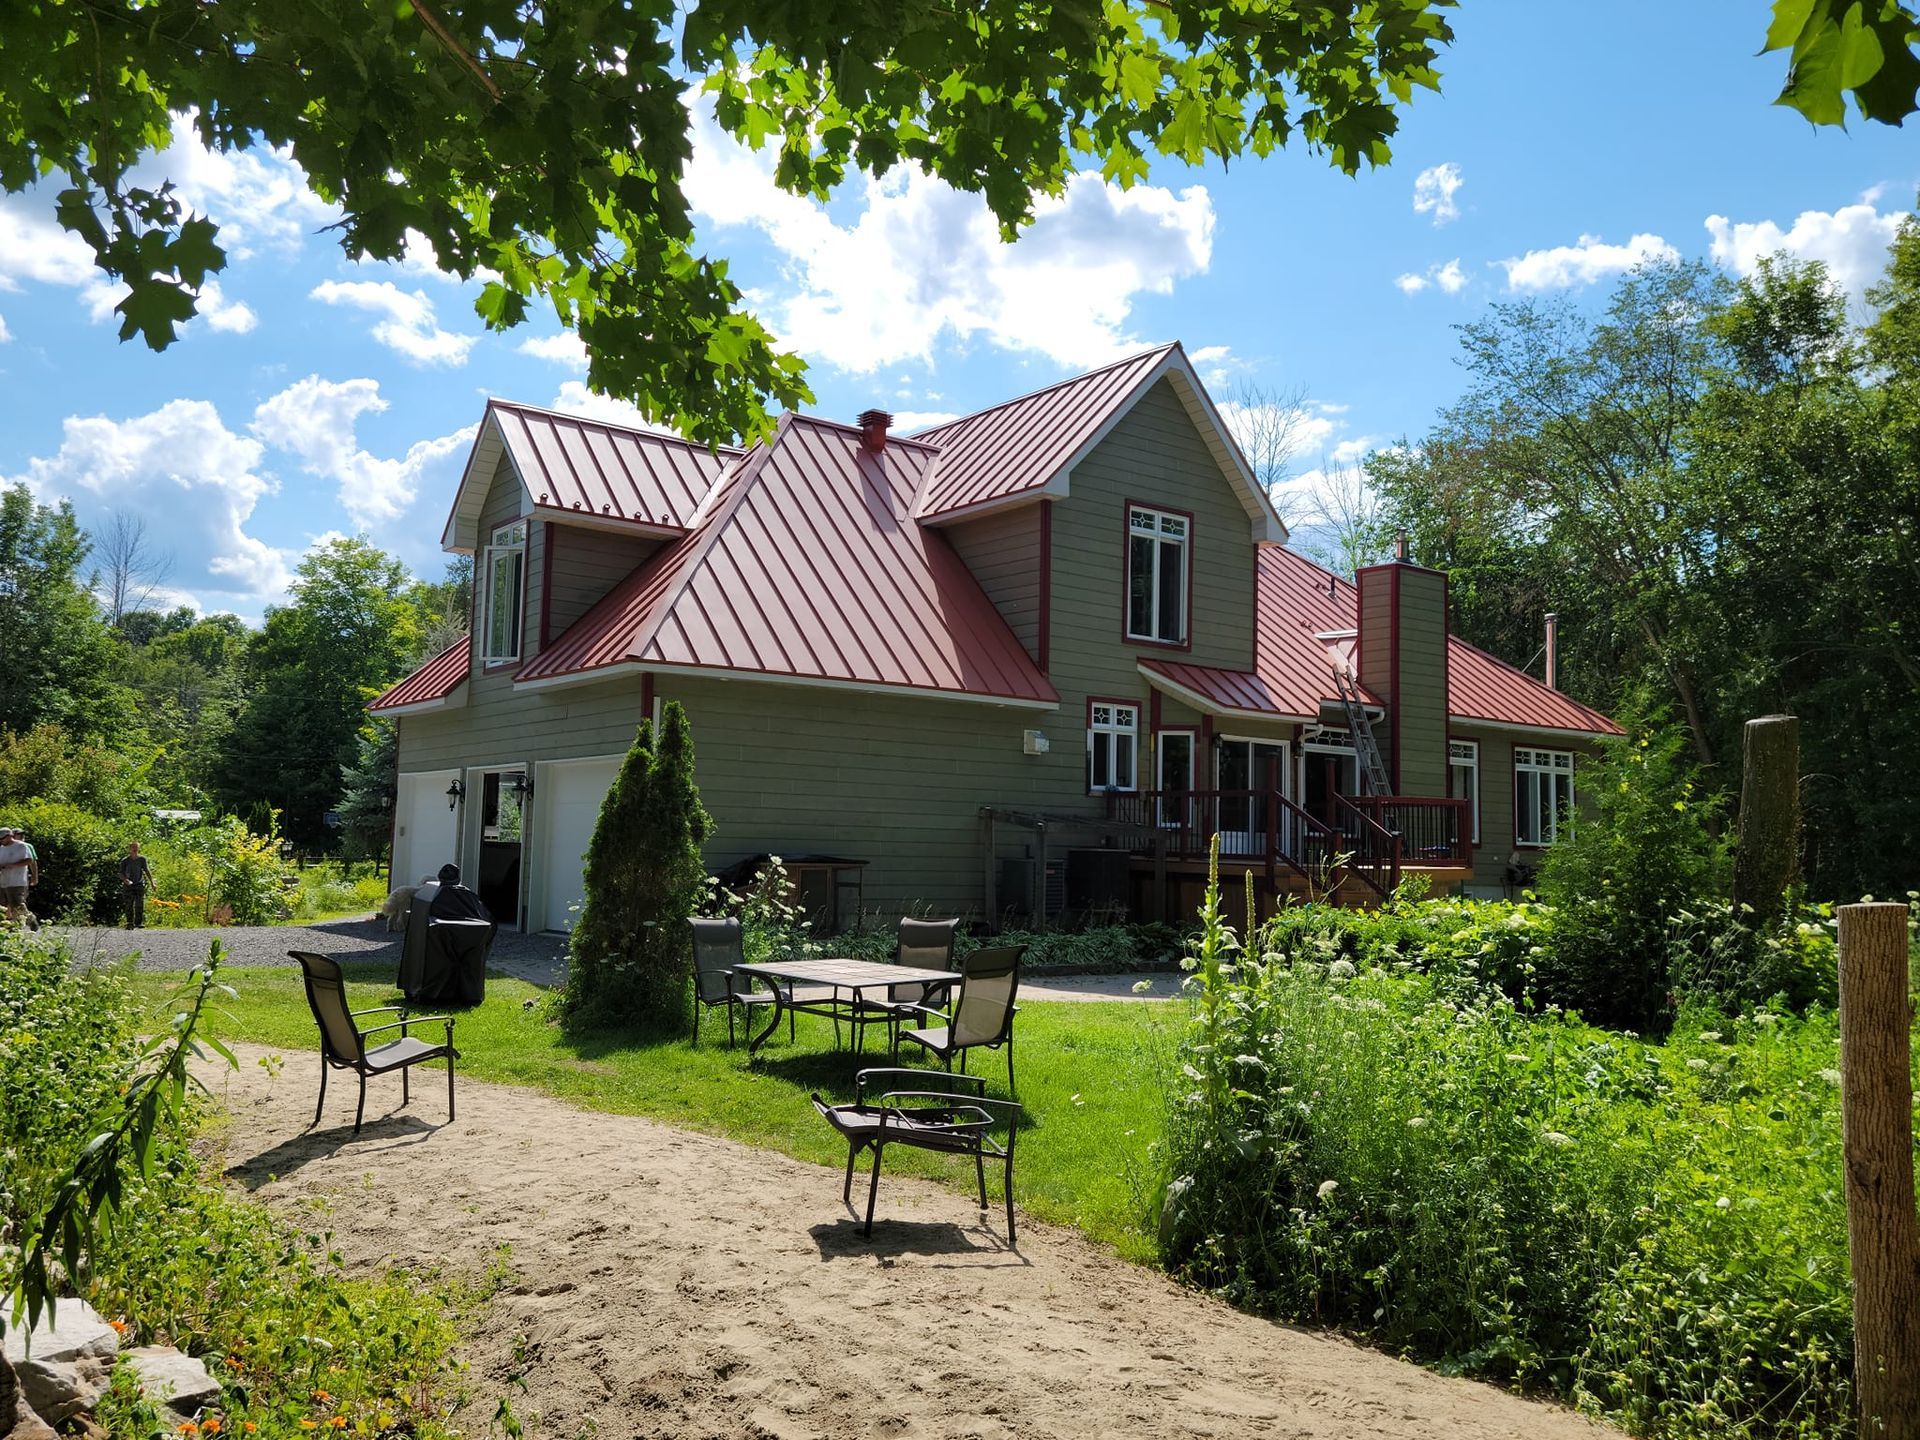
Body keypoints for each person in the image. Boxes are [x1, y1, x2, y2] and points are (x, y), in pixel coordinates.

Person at [0, 827, 36, 926]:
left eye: (2, 838)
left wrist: (13, 865)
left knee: (17, 904)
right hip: (3, 880)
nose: (1, 840)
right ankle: (8, 925)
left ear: (10, 836)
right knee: (3, 905)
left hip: (17, 880)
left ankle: (30, 919)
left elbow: (29, 860)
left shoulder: (21, 846)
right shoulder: (1, 848)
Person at [120, 841, 155, 929]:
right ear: (129, 849)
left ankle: (138, 923)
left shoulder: (142, 859)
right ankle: (129, 922)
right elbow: (120, 873)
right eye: (133, 847)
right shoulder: (125, 861)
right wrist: (125, 880)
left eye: (137, 847)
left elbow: (147, 871)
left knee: (139, 904)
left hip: (139, 884)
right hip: (128, 885)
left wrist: (152, 883)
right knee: (129, 904)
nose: (135, 849)